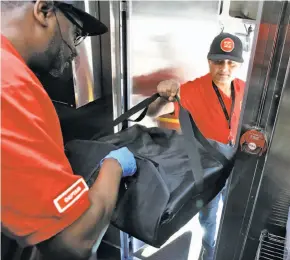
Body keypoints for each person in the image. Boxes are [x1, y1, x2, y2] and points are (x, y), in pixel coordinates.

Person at [1, 1, 137, 259]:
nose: (75, 50)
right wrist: (115, 165)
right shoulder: (10, 84)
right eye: (76, 34)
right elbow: (74, 242)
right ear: (43, 11)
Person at [147, 32, 246, 260]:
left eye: (231, 63)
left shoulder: (244, 89)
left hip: (238, 165)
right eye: (218, 61)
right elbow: (153, 112)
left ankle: (226, 250)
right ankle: (209, 251)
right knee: (209, 216)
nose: (224, 68)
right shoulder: (191, 90)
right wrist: (164, 94)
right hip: (207, 168)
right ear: (209, 61)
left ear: (239, 65)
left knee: (233, 212)